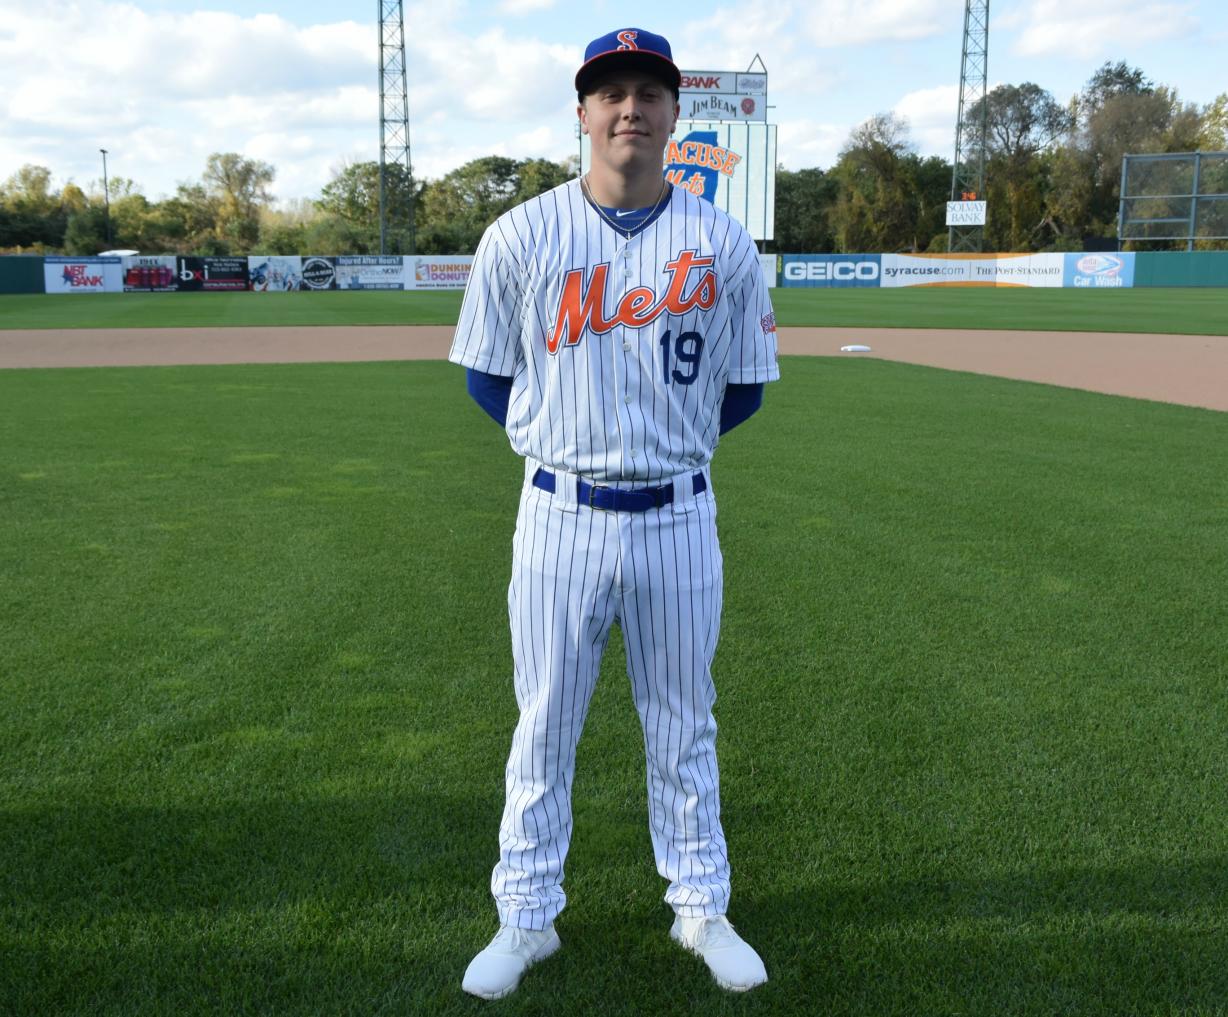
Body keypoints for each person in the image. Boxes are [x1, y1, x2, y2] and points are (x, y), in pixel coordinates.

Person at [448, 26, 780, 1000]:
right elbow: (485, 378)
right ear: (584, 112)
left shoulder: (719, 241)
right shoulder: (521, 235)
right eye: (611, 92)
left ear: (675, 113)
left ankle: (700, 906)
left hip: (677, 516)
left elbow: (745, 389)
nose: (629, 106)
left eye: (648, 90)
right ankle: (525, 918)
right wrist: (569, 442)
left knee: (683, 723)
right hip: (557, 515)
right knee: (543, 725)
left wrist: (663, 446)